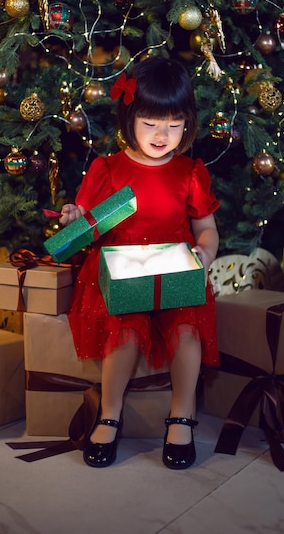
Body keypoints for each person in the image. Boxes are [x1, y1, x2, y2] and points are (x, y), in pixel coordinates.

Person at [60, 56, 220, 469]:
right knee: (125, 332)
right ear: (129, 118)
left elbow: (206, 229)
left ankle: (181, 415)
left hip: (174, 267)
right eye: (150, 124)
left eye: (174, 124)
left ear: (188, 123)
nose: (162, 134)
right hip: (121, 269)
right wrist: (76, 218)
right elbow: (88, 224)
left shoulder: (189, 172)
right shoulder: (108, 169)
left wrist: (204, 252)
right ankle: (109, 415)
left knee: (187, 328)